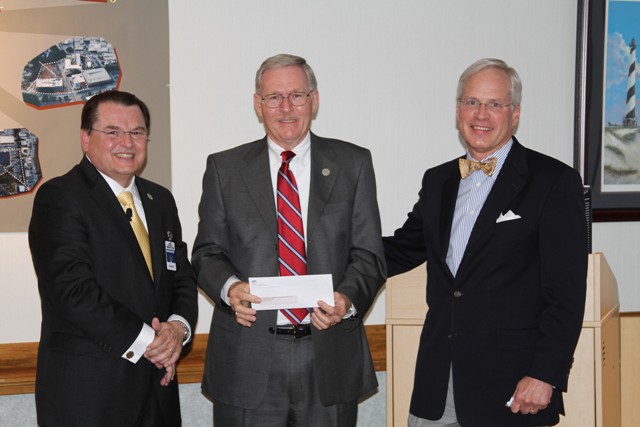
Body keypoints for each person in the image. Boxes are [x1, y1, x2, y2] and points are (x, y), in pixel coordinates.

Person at [383, 58, 588, 427]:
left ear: (515, 113)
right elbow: (400, 250)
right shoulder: (438, 181)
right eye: (472, 102)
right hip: (436, 382)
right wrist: (323, 252)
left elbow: (567, 294)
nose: (482, 114)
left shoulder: (554, 182)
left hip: (513, 388)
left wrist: (545, 374)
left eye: (495, 104)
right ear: (458, 109)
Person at [192, 53, 386, 427]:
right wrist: (230, 288)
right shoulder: (224, 168)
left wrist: (346, 300)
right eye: (273, 97)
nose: (286, 108)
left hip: (328, 355)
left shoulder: (353, 163)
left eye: (297, 95)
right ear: (257, 104)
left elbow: (368, 255)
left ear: (314, 100)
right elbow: (207, 252)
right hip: (247, 358)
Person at [28, 90, 198, 427]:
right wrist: (155, 344)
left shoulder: (160, 200)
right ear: (85, 139)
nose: (127, 142)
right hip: (88, 396)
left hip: (158, 391)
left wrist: (177, 330)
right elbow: (73, 292)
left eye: (137, 132)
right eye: (112, 132)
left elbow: (181, 276)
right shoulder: (60, 197)